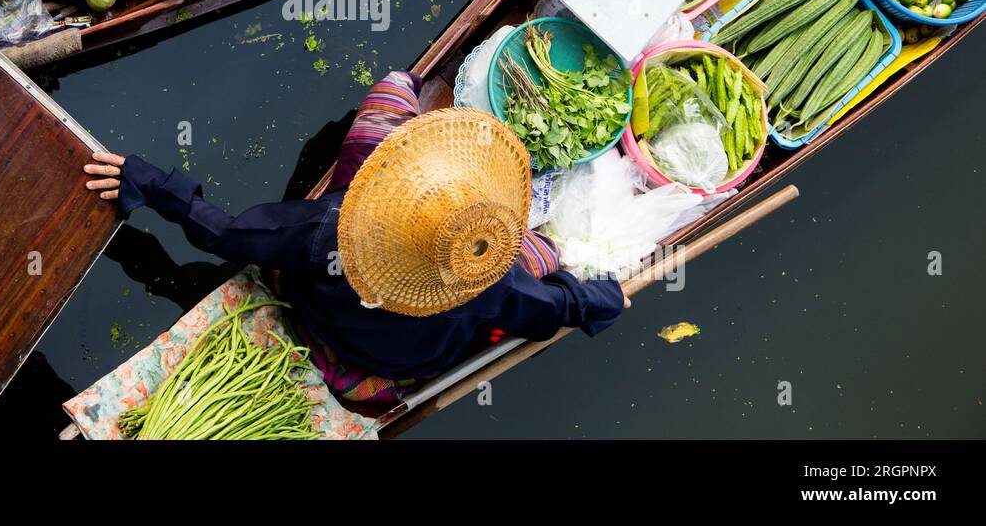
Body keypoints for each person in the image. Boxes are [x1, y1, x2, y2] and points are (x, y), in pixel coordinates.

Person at [84, 71, 627, 400]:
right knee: (548, 251)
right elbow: (555, 309)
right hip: (402, 364)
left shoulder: (325, 227)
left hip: (322, 317)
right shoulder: (490, 276)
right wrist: (604, 298)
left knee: (395, 86)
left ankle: (401, 100)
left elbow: (221, 232)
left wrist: (150, 182)